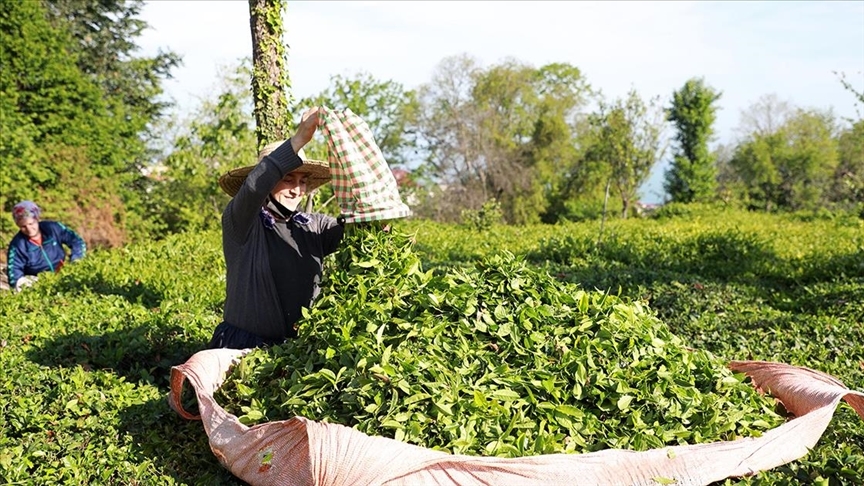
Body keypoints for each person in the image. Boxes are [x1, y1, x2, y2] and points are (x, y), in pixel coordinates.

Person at [208, 107, 344, 349]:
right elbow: (254, 188)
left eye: (303, 182)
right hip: (243, 346)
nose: (297, 190)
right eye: (288, 179)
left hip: (297, 349)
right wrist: (300, 138)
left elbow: (353, 230)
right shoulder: (242, 222)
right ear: (269, 183)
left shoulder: (313, 226)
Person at [6, 200, 87, 291]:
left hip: (63, 273)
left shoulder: (52, 228)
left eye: (31, 223)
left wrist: (76, 259)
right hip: (38, 283)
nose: (29, 229)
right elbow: (14, 273)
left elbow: (76, 241)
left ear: (37, 219)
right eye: (23, 227)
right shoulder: (17, 245)